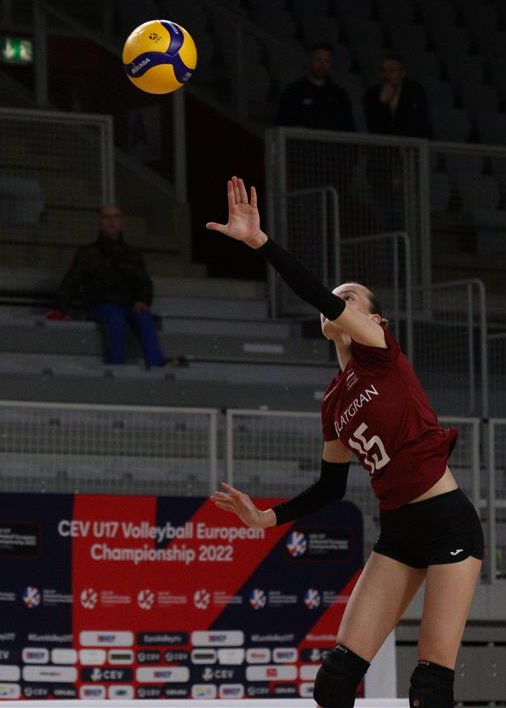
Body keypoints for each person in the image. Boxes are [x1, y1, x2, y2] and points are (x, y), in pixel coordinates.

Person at [206, 177, 482, 708]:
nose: (335, 299)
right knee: (334, 681)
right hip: (399, 532)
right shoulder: (334, 401)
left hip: (446, 519)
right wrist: (266, 518)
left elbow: (311, 289)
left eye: (348, 296)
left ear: (373, 319)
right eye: (334, 297)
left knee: (429, 686)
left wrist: (260, 242)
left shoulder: (380, 350)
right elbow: (331, 488)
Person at [48, 204, 168, 368]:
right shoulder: (88, 253)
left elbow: (144, 282)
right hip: (101, 305)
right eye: (107, 217)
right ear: (100, 222)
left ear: (121, 222)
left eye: (116, 217)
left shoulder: (132, 254)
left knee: (145, 318)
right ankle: (117, 368)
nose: (111, 221)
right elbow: (72, 280)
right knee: (116, 318)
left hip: (127, 305)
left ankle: (156, 366)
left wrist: (142, 300)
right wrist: (59, 308)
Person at [276, 42, 356, 131]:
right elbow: (282, 124)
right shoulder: (294, 91)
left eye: (327, 61)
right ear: (310, 61)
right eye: (318, 60)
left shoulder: (340, 95)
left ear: (331, 64)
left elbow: (349, 128)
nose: (322, 65)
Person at [362, 52, 431, 139]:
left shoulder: (414, 91)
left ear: (403, 73)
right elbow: (374, 125)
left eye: (392, 70)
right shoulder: (371, 94)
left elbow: (417, 122)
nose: (387, 75)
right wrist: (383, 103)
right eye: (383, 71)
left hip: (410, 141)